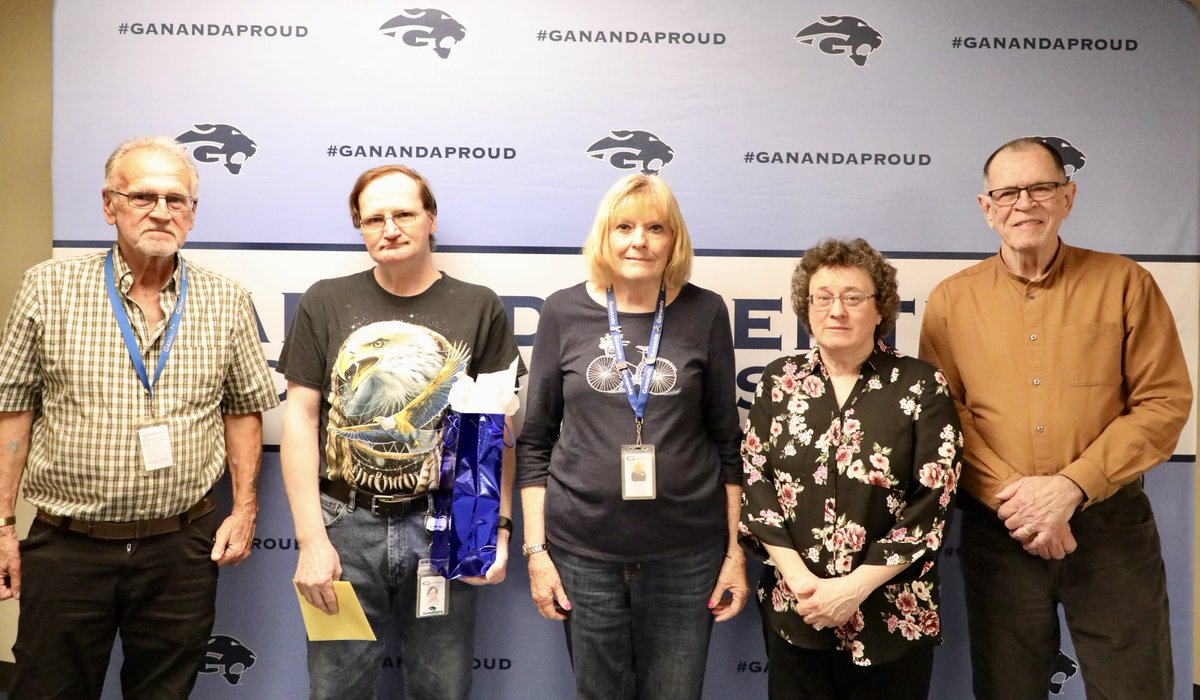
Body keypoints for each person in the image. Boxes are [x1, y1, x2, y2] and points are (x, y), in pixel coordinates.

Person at [0, 135, 279, 698]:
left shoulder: (226, 298)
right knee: (48, 688)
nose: (161, 211)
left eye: (177, 200)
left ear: (193, 214)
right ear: (110, 205)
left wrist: (245, 510)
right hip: (68, 545)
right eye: (143, 196)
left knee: (165, 691)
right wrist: (3, 525)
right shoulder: (47, 288)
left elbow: (245, 409)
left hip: (180, 548)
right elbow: (13, 412)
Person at [918, 137, 1193, 699]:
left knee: (1135, 688)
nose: (1025, 203)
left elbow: (1163, 401)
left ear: (1067, 198)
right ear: (986, 206)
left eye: (1041, 188)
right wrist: (1016, 499)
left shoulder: (1124, 283)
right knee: (1006, 689)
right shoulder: (950, 301)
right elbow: (942, 418)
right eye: (1008, 192)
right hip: (1002, 533)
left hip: (1111, 529)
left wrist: (1070, 487)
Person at [278, 164, 523, 699]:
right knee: (334, 689)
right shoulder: (323, 300)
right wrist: (310, 540)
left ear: (430, 219)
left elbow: (500, 431)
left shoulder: (478, 305)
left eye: (404, 213)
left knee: (443, 690)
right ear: (360, 228)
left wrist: (496, 529)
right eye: (374, 218)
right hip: (343, 524)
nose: (390, 227)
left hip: (446, 528)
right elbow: (300, 418)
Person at [516, 173, 747, 700]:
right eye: (624, 226)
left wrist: (734, 553)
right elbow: (535, 443)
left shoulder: (706, 312)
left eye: (654, 227)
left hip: (688, 555)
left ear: (674, 240)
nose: (638, 240)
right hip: (584, 553)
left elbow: (727, 442)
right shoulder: (562, 310)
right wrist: (537, 552)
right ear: (605, 236)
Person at [740, 238, 962, 700]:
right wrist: (803, 583)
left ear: (880, 308)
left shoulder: (921, 385)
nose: (835, 310)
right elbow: (757, 486)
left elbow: (931, 504)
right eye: (822, 297)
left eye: (852, 297)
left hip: (891, 615)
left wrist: (853, 590)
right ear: (807, 307)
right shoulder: (779, 381)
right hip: (797, 611)